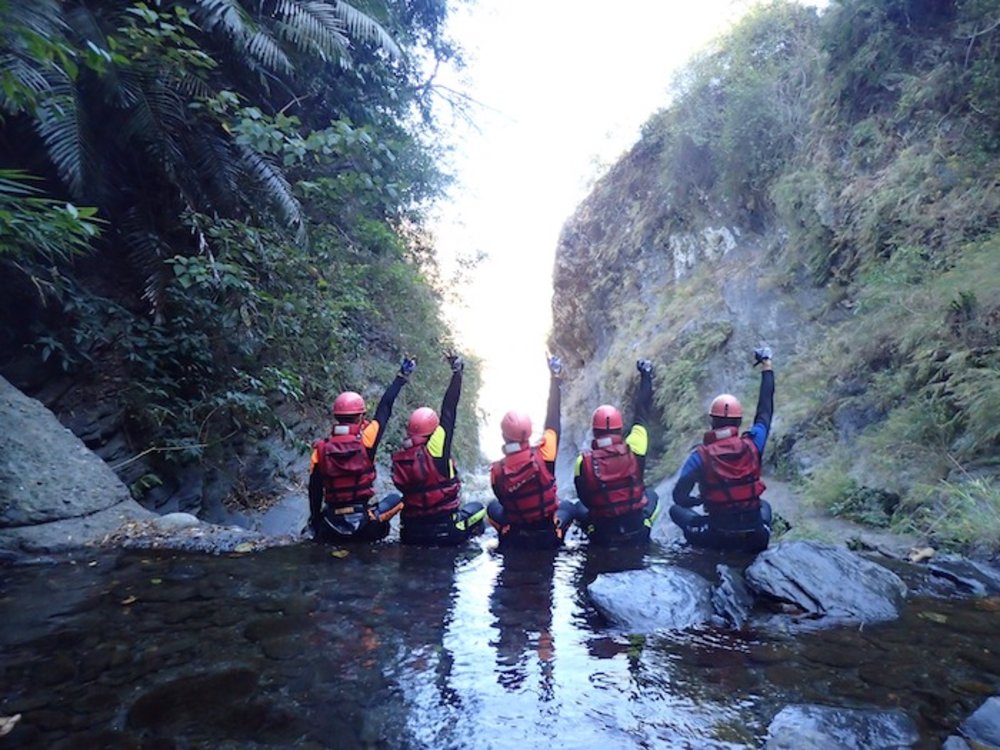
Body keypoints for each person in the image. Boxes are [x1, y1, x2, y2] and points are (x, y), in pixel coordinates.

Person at [669, 346, 775, 553]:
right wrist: (767, 365)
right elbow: (765, 411)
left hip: (716, 537)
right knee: (765, 507)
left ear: (712, 422)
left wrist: (700, 499)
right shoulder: (753, 444)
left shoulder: (699, 456)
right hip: (755, 537)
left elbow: (679, 498)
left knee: (676, 511)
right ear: (738, 421)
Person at [307, 356, 415, 543]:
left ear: (336, 417)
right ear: (360, 416)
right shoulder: (367, 438)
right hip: (365, 526)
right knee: (396, 499)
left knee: (324, 517)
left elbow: (314, 491)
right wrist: (401, 377)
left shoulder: (321, 449)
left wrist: (315, 519)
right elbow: (385, 408)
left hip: (332, 526)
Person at [389, 352, 486, 546]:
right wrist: (457, 373)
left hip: (410, 534)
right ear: (433, 432)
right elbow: (449, 409)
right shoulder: (436, 448)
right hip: (445, 532)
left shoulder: (400, 456)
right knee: (478, 509)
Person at [487, 355, 577, 549]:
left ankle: (505, 535)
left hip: (516, 537)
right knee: (568, 506)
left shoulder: (497, 471)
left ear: (503, 435)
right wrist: (555, 378)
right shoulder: (545, 453)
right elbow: (553, 422)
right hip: (548, 535)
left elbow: (503, 501)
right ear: (529, 432)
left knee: (491, 508)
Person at [574, 358, 660, 546]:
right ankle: (644, 528)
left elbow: (585, 498)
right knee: (653, 496)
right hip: (636, 531)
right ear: (620, 428)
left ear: (595, 431)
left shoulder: (583, 461)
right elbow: (642, 411)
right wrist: (646, 376)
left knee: (576, 508)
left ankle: (591, 533)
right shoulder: (635, 446)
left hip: (603, 535)